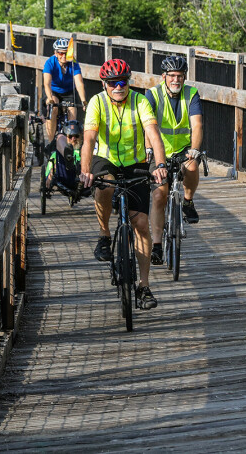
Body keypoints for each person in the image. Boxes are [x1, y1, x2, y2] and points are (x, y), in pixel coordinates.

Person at [80, 58, 168, 311]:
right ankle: (104, 235)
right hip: (106, 158)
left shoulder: (140, 101)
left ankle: (144, 285)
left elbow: (153, 134)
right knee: (104, 185)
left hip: (135, 161)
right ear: (104, 84)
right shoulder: (97, 102)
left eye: (123, 82)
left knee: (140, 223)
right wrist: (85, 171)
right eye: (112, 83)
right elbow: (88, 140)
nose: (118, 87)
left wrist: (160, 165)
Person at [145, 54, 204, 265]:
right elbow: (148, 126)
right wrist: (148, 150)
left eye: (180, 76)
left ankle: (188, 201)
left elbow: (197, 125)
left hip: (183, 150)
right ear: (164, 76)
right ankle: (157, 246)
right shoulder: (152, 94)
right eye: (172, 76)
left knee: (192, 166)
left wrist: (195, 149)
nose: (176, 80)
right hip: (158, 152)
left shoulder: (191, 94)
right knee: (160, 195)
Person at [41, 37, 87, 143]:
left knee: (73, 113)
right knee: (54, 108)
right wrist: (49, 98)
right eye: (61, 53)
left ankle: (70, 143)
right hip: (53, 91)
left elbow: (79, 83)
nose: (64, 56)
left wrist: (83, 101)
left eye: (66, 53)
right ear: (56, 53)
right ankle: (51, 142)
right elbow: (46, 83)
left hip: (68, 91)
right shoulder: (50, 62)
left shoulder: (73, 63)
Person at [43, 120, 85, 193]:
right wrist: (51, 174)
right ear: (66, 137)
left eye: (76, 136)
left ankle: (73, 163)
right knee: (59, 137)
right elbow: (49, 172)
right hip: (66, 175)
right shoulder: (56, 154)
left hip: (84, 176)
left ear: (81, 137)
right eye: (70, 136)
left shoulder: (84, 150)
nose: (73, 139)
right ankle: (68, 157)